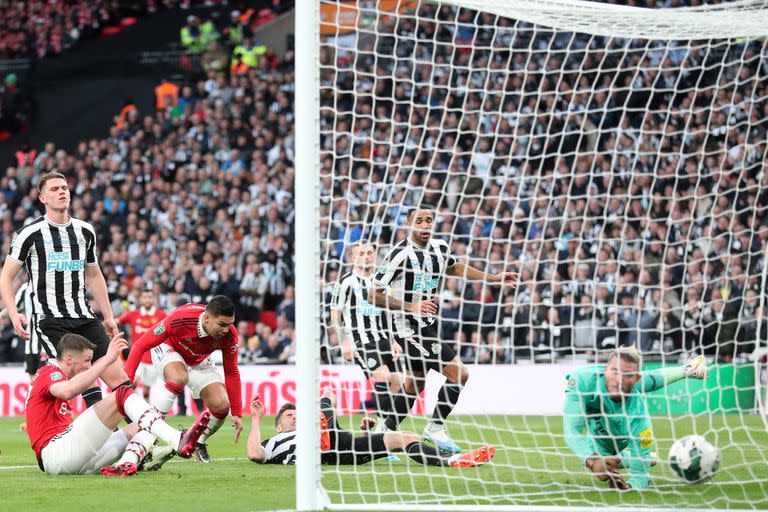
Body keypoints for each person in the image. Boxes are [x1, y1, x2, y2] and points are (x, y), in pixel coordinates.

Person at [370, 207, 519, 452]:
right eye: (420, 221)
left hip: (428, 326)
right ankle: (435, 427)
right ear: (409, 224)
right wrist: (412, 306)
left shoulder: (440, 248)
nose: (426, 224)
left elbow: (455, 268)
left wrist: (493, 278)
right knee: (459, 374)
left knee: (414, 385)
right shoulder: (399, 254)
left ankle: (382, 434)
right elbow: (373, 294)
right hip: (407, 329)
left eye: (429, 220)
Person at [0, 171, 129, 409]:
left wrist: (108, 316)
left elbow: (94, 273)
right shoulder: (29, 233)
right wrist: (12, 311)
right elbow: (6, 276)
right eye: (55, 189)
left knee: (120, 379)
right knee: (85, 375)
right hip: (51, 319)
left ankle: (143, 440)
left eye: (64, 188)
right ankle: (103, 440)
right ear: (42, 198)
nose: (62, 192)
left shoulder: (84, 231)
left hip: (84, 316)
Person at [24, 331, 210, 476]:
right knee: (121, 394)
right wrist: (106, 360)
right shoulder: (51, 371)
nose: (89, 366)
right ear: (69, 359)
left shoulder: (56, 375)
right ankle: (177, 439)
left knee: (143, 424)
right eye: (87, 360)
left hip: (70, 458)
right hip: (56, 452)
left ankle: (128, 462)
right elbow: (66, 390)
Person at [119, 295, 243, 466]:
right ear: (206, 318)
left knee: (221, 405)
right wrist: (124, 386)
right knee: (179, 377)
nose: (226, 330)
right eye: (222, 324)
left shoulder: (230, 335)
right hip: (169, 349)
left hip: (198, 360)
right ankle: (145, 439)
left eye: (230, 325)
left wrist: (237, 412)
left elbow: (232, 371)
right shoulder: (180, 319)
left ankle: (196, 441)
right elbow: (140, 345)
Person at [563, 347, 710, 490]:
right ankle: (689, 369)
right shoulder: (583, 381)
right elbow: (572, 429)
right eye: (615, 371)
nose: (619, 380)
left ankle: (641, 457)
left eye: (627, 374)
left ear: (636, 378)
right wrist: (593, 461)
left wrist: (628, 487)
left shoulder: (639, 418)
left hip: (620, 426)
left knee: (643, 383)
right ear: (606, 369)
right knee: (642, 382)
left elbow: (641, 477)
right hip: (597, 440)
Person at [246, 390, 495, 468]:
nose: (295, 418)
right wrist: (256, 419)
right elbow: (255, 454)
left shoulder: (313, 427)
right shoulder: (275, 442)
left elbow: (344, 440)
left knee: (405, 437)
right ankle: (323, 413)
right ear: (279, 426)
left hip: (343, 446)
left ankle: (453, 460)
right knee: (326, 398)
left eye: (297, 414)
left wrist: (365, 432)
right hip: (319, 450)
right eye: (290, 416)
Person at [331, 242, 403, 432]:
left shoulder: (381, 283)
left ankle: (382, 430)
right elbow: (335, 315)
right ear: (352, 258)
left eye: (370, 252)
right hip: (360, 341)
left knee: (398, 383)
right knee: (383, 377)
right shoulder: (345, 282)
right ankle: (383, 436)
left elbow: (388, 314)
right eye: (361, 253)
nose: (367, 256)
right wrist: (343, 341)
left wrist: (395, 340)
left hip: (383, 340)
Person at [117, 288, 167, 401]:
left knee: (146, 391)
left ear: (154, 299)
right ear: (140, 299)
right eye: (145, 297)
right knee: (133, 382)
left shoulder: (161, 315)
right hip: (137, 357)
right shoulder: (134, 314)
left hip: (153, 359)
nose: (147, 299)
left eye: (150, 297)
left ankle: (145, 409)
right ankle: (128, 408)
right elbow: (117, 321)